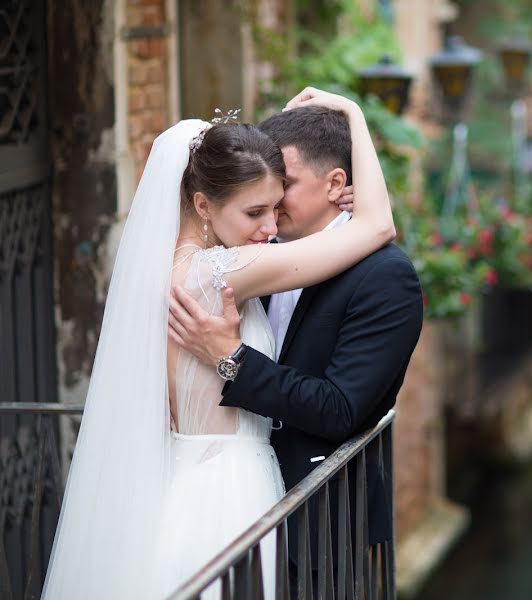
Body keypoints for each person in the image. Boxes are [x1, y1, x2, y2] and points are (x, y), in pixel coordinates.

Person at [41, 88, 394, 600]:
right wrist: (355, 116)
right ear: (203, 204)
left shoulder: (175, 266)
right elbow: (377, 226)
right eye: (255, 213)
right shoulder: (216, 271)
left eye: (276, 207)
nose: (270, 229)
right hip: (228, 489)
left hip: (186, 479)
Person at [167, 100, 424, 591]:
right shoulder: (254, 257)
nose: (274, 200)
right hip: (228, 500)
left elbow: (342, 409)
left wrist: (233, 361)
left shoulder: (385, 277)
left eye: (285, 185)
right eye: (262, 195)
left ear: (335, 184)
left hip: (318, 521)